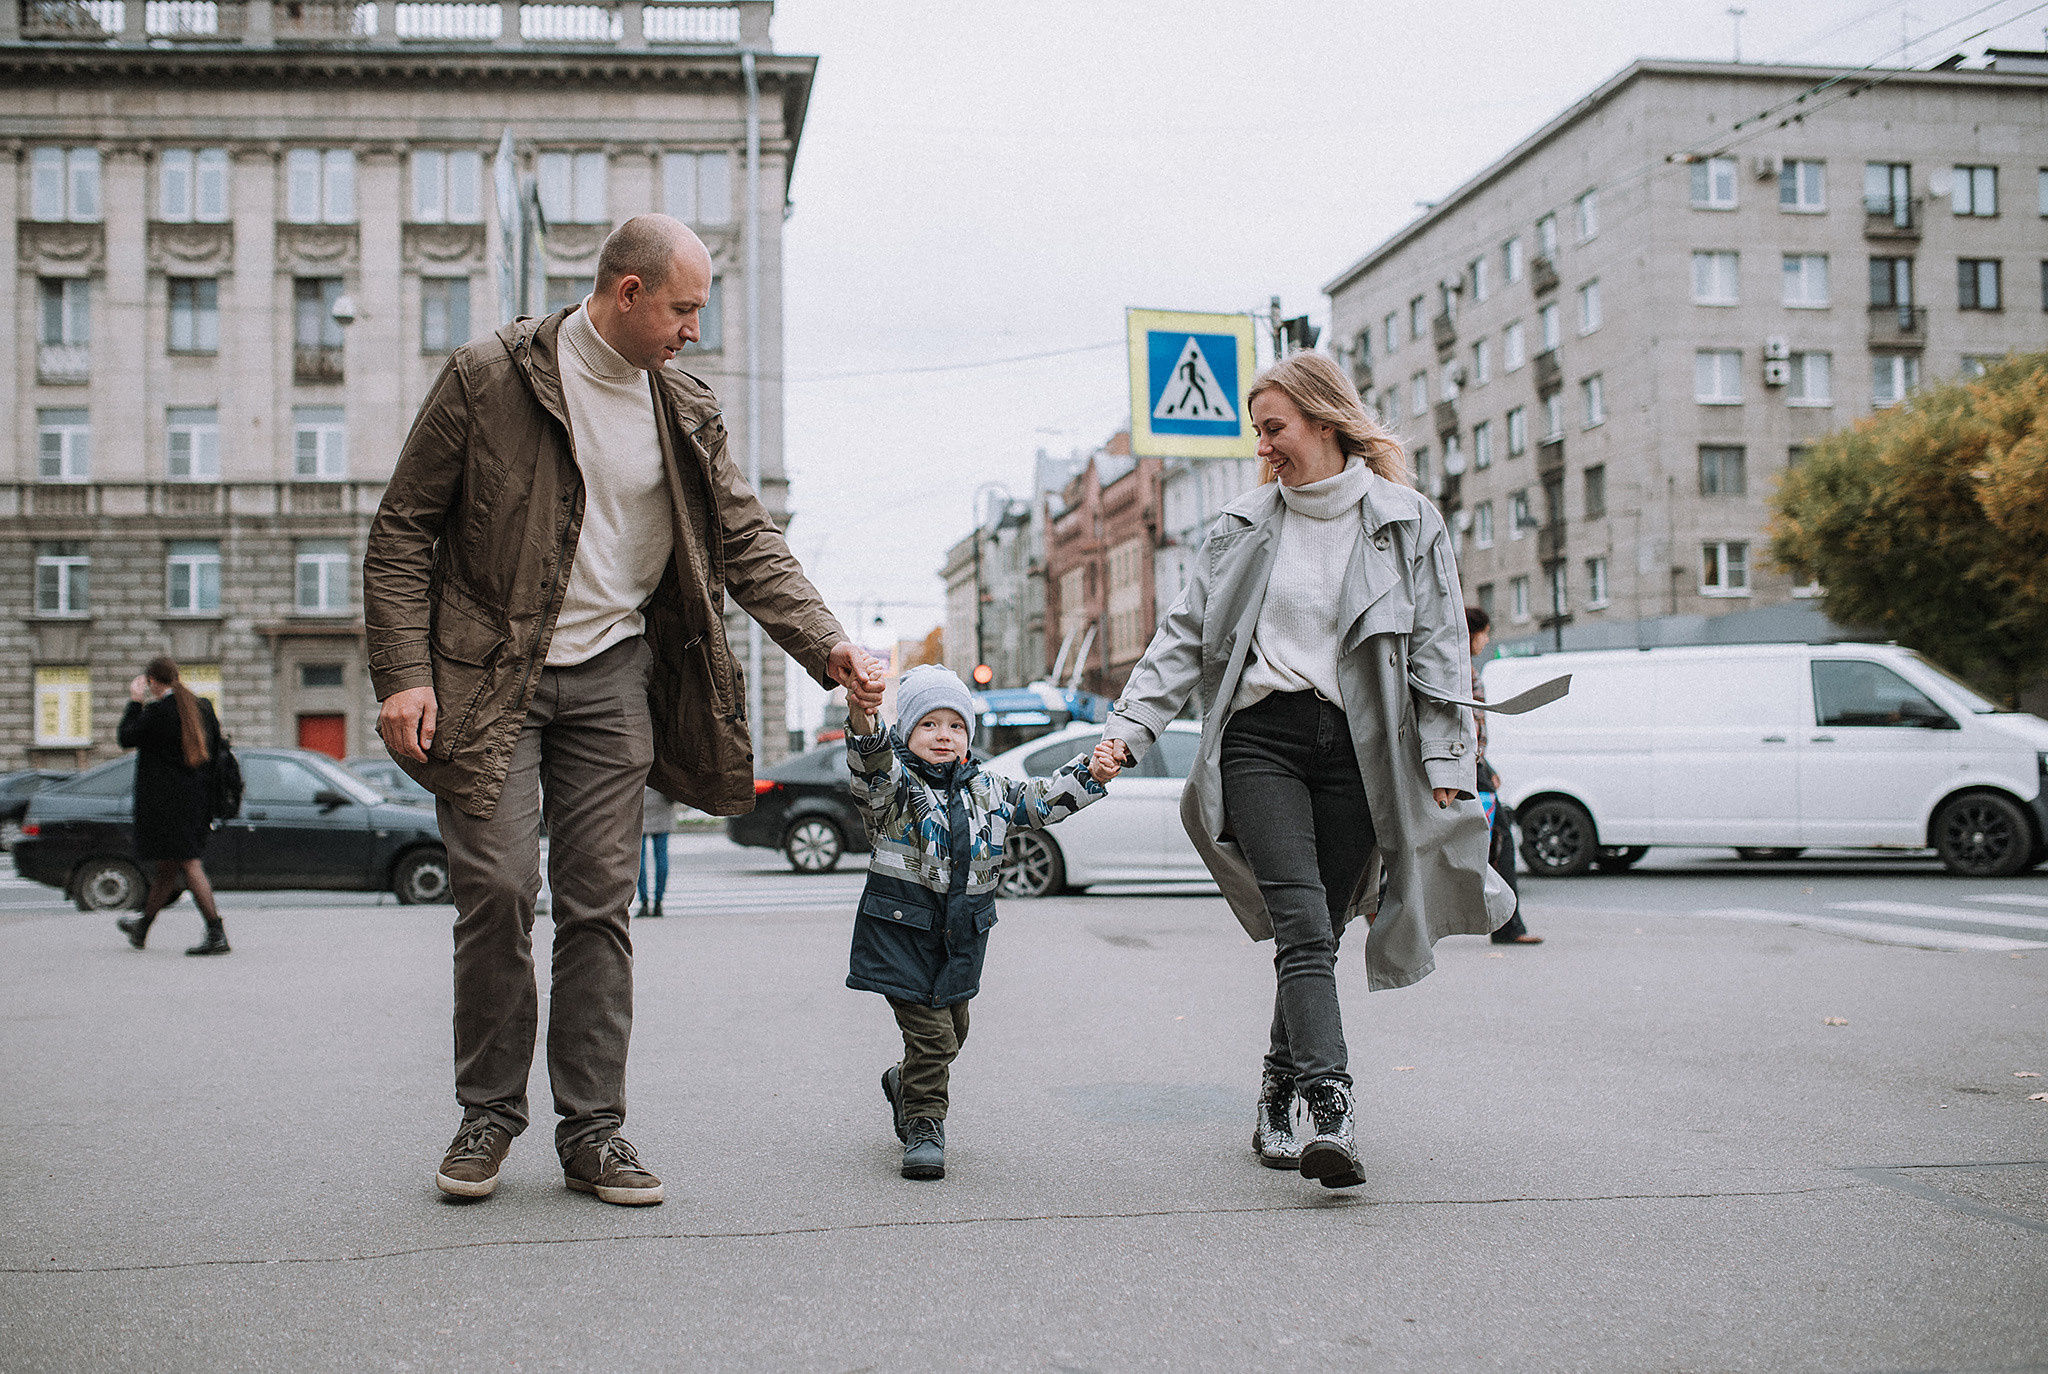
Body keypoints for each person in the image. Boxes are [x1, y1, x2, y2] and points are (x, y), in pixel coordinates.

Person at [365, 213, 885, 1207]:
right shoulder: (488, 377)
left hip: (613, 677)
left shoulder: (683, 406)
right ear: (627, 293)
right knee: (502, 888)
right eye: (685, 309)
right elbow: (402, 531)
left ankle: (593, 1131)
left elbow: (745, 538)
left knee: (600, 903)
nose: (696, 330)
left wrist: (829, 645)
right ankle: (487, 1111)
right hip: (490, 677)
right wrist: (402, 672)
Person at [1100, 353, 1563, 1190]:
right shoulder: (1239, 527)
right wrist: (1129, 729)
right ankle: (1331, 1103)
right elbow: (1181, 638)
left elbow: (1438, 645)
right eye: (1257, 432)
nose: (1263, 447)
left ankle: (1277, 1090)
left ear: (1323, 420)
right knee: (1304, 924)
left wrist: (1449, 755)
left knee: (1326, 927)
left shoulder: (1407, 521)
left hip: (1363, 750)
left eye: (1273, 428)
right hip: (1260, 741)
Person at [844, 665, 1123, 1180]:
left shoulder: (991, 789)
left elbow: (1043, 800)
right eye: (928, 725)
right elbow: (872, 769)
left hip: (961, 936)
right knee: (934, 1040)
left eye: (955, 725)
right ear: (907, 733)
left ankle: (904, 1082)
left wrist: (1093, 774)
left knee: (955, 1030)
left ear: (969, 736)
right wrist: (865, 722)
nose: (943, 735)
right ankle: (925, 1124)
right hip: (901, 935)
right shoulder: (896, 791)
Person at [113, 657, 230, 957]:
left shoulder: (157, 713)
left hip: (168, 806)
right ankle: (142, 928)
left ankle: (216, 932)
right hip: (197, 801)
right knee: (168, 867)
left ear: (152, 681)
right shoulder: (201, 707)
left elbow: (126, 737)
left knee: (189, 863)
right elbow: (216, 752)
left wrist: (134, 701)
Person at [1469, 606, 1540, 945]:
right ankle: (1508, 926)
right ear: (1473, 633)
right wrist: (1480, 768)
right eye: (1484, 634)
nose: (1486, 641)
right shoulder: (1459, 669)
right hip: (1466, 768)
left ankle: (1506, 924)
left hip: (1473, 767)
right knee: (1499, 841)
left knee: (1490, 842)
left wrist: (1488, 766)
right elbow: (1464, 724)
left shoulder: (1461, 667)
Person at [637, 786, 675, 920]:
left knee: (639, 858)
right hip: (662, 804)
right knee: (661, 856)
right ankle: (658, 902)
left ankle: (644, 902)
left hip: (640, 803)